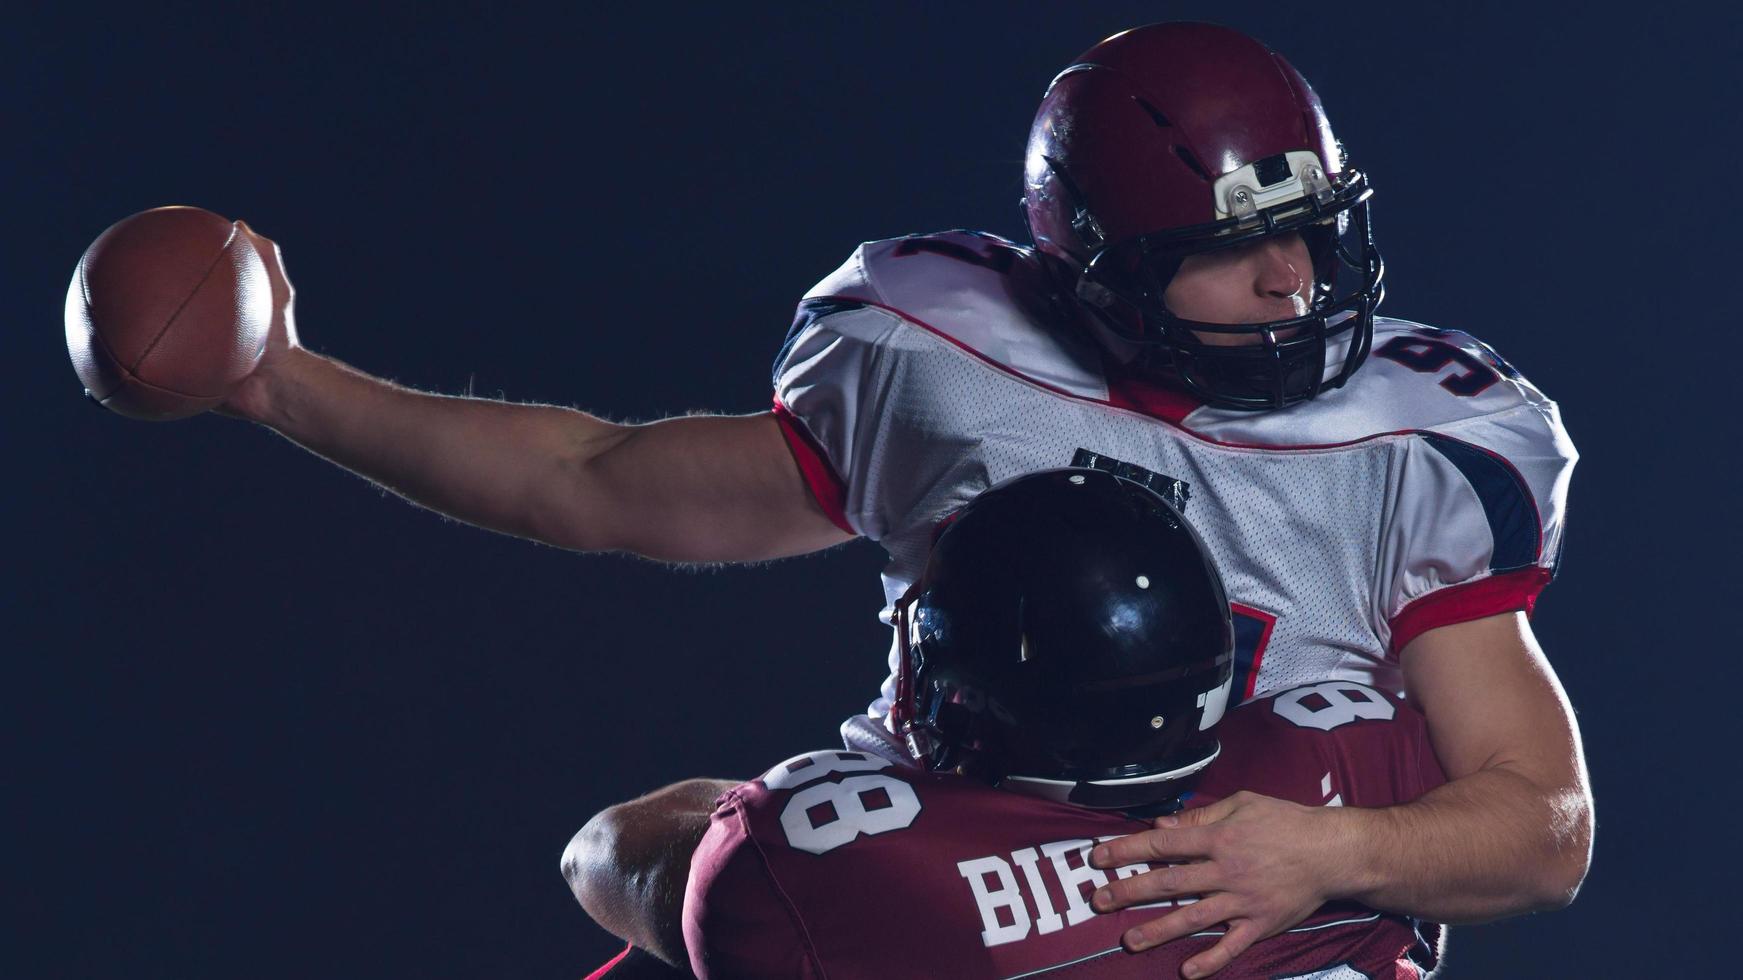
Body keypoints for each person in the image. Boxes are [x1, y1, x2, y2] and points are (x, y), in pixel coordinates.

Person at [213, 21, 1590, 977]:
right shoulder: (944, 361)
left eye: (1306, 229)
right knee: (647, 861)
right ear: (1099, 263)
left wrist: (1321, 854)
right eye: (1234, 254)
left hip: (1254, 895)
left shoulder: (1413, 442)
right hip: (954, 868)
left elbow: (1540, 826)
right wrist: (281, 384)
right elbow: (595, 482)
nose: (1292, 279)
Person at [684, 469, 1446, 979]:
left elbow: (604, 854)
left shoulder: (844, 855)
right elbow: (1536, 849)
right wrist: (1347, 853)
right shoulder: (1358, 749)